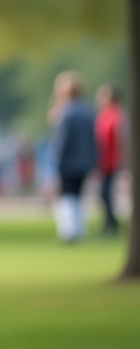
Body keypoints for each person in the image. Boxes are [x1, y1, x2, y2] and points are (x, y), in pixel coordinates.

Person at [49, 71, 97, 242]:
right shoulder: (88, 112)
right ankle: (79, 229)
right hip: (85, 162)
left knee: (67, 196)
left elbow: (62, 142)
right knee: (78, 196)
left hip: (67, 163)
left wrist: (55, 161)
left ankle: (69, 231)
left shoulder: (65, 113)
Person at [94, 84, 125, 236]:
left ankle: (111, 223)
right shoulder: (104, 115)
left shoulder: (117, 115)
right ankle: (110, 222)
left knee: (106, 193)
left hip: (112, 162)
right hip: (105, 162)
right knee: (103, 194)